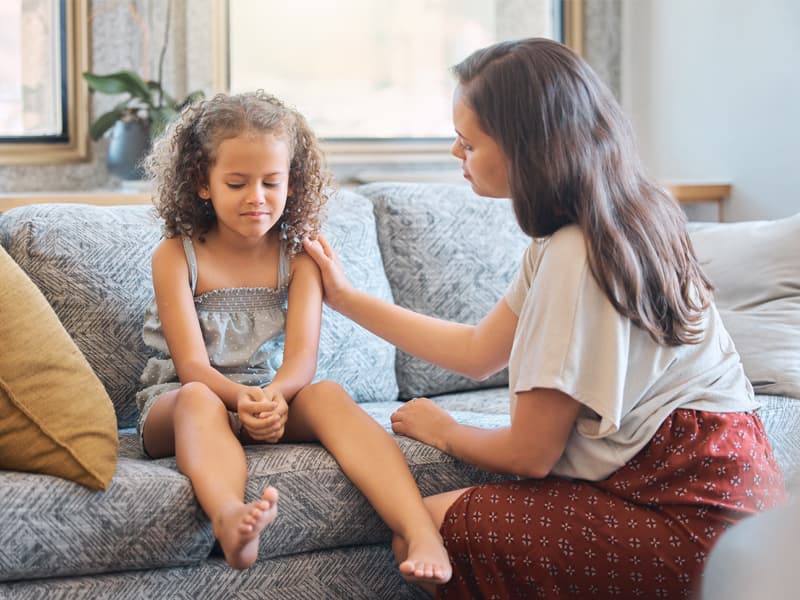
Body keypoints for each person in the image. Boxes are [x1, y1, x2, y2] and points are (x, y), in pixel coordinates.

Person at [303, 39, 786, 598]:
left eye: (468, 142)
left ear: (526, 149)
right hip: (735, 496)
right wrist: (345, 298)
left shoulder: (575, 255)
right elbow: (479, 351)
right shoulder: (624, 214)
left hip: (687, 520)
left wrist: (446, 431)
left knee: (427, 532)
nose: (456, 154)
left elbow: (530, 455)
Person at [135, 91, 451, 581]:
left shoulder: (299, 258)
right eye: (236, 183)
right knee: (198, 397)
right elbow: (193, 366)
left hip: (272, 395)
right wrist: (244, 400)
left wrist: (275, 399)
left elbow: (301, 362)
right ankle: (230, 521)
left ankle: (419, 527)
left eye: (271, 182)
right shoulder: (176, 255)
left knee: (327, 394)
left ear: (293, 184)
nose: (256, 197)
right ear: (203, 183)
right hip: (183, 402)